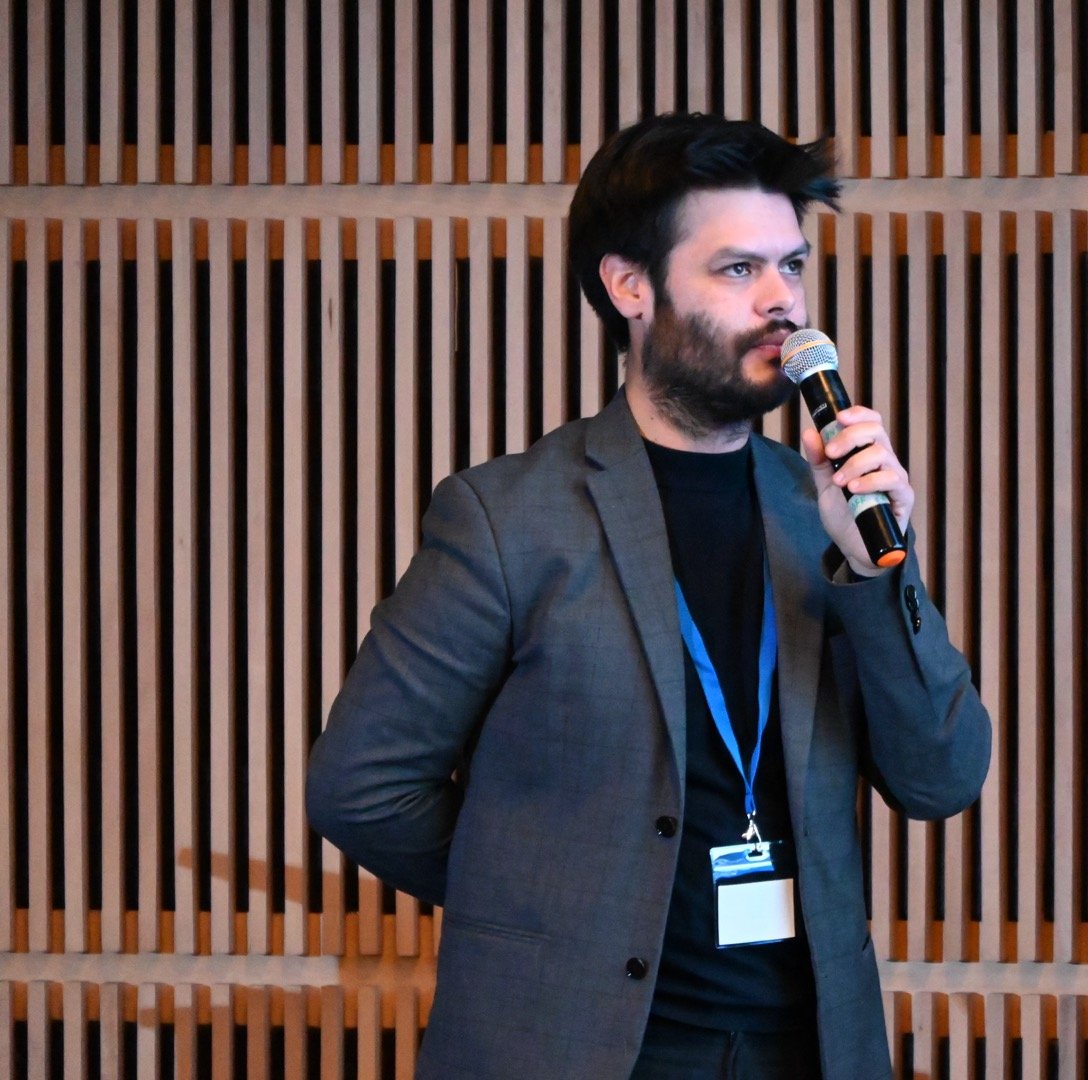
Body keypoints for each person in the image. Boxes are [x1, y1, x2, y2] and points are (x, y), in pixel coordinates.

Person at [306, 112, 991, 1080]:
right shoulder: (510, 518)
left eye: (792, 266)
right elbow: (361, 786)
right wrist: (553, 897)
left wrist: (879, 568)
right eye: (738, 269)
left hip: (806, 1050)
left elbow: (942, 778)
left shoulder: (822, 513)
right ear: (630, 287)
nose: (783, 303)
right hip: (580, 1051)